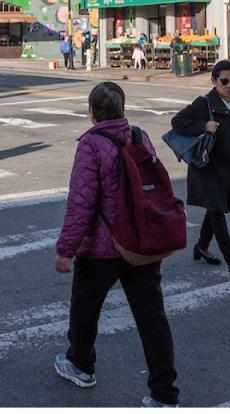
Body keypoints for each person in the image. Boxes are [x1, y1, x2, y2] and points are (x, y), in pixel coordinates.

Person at [53, 82, 180, 408]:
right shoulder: (139, 136)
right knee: (152, 317)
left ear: (92, 111)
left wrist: (66, 249)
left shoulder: (91, 144)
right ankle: (165, 394)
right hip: (139, 242)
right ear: (123, 109)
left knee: (85, 309)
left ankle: (81, 365)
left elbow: (81, 202)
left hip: (102, 247)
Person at [171, 60, 230, 280]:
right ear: (214, 80)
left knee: (215, 209)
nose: (229, 85)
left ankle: (202, 247)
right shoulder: (204, 104)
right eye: (224, 81)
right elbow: (177, 121)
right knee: (216, 211)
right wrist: (203, 125)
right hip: (207, 169)